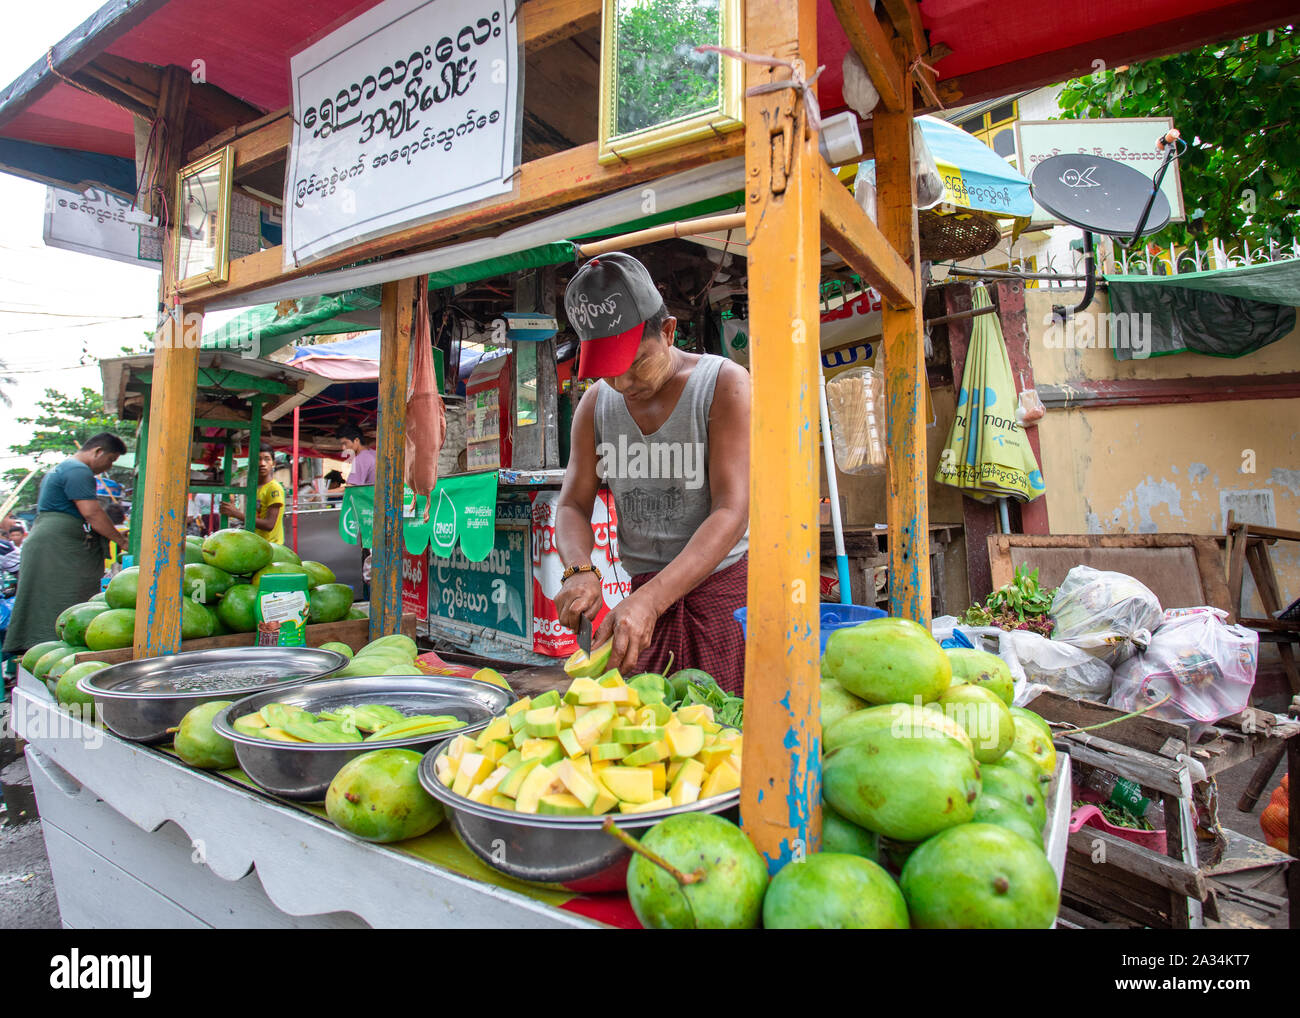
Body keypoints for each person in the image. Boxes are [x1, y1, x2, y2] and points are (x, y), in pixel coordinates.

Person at [553, 252, 751, 694]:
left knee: (725, 732)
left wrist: (652, 600)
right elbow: (571, 504)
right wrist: (579, 569)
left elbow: (731, 511)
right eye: (607, 370)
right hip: (641, 598)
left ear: (667, 332)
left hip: (723, 592)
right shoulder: (595, 406)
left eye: (636, 363)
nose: (622, 383)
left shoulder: (724, 385)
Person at [3, 433, 130, 657]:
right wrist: (120, 540)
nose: (109, 465)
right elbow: (91, 513)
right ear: (98, 451)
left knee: (50, 597)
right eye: (111, 459)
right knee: (60, 598)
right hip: (56, 546)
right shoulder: (78, 470)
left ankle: (42, 648)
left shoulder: (63, 468)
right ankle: (48, 649)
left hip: (52, 542)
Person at [220, 449, 285, 544]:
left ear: (273, 463)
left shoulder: (273, 488)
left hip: (271, 545)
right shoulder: (254, 488)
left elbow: (269, 525)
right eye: (258, 459)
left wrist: (236, 514)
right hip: (257, 543)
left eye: (267, 459)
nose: (262, 463)